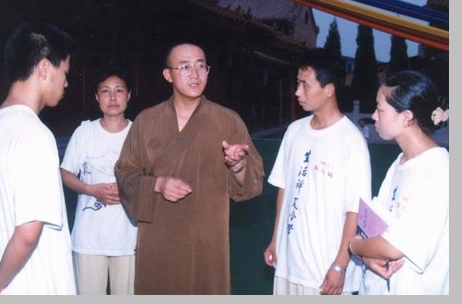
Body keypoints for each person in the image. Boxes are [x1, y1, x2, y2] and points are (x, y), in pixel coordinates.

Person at [114, 43, 263, 294]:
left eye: (201, 66)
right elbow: (124, 172)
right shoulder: (146, 121)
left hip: (207, 240)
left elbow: (253, 182)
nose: (195, 74)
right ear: (168, 75)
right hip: (158, 238)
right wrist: (157, 184)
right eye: (184, 67)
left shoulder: (228, 120)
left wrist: (238, 165)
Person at [0, 21, 77, 294]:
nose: (66, 82)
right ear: (44, 68)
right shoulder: (34, 134)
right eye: (64, 72)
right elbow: (29, 232)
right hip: (31, 285)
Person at [263, 49, 371, 295]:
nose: (297, 92)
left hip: (324, 273)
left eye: (305, 85)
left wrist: (340, 265)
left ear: (329, 89)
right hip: (288, 265)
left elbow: (356, 210)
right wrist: (275, 240)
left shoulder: (351, 141)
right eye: (297, 84)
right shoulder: (294, 131)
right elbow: (284, 189)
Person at [350, 71, 449, 295]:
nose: (374, 116)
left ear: (406, 117)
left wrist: (354, 247)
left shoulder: (439, 169)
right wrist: (367, 256)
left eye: (380, 109)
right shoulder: (400, 162)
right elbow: (371, 228)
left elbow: (392, 247)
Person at [60, 70, 138, 295]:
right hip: (89, 239)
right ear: (96, 97)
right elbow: (65, 172)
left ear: (128, 95)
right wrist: (90, 189)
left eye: (119, 90)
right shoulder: (84, 132)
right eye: (105, 91)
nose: (112, 97)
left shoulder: (139, 132)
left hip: (128, 238)